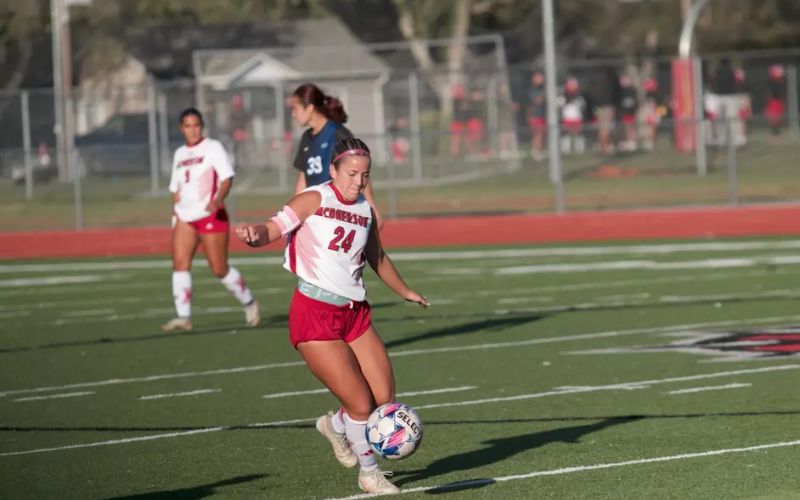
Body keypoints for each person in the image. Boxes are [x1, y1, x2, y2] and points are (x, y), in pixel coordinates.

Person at [236, 137, 428, 494]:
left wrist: (405, 291)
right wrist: (253, 235)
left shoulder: (365, 210)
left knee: (383, 399)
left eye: (365, 175)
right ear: (333, 169)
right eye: (352, 174)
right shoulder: (313, 199)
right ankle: (369, 474)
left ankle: (335, 426)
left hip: (355, 314)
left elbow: (377, 257)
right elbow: (272, 228)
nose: (358, 182)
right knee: (360, 404)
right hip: (314, 314)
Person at [161, 108, 260, 332]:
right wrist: (176, 210)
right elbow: (175, 187)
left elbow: (227, 178)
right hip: (185, 216)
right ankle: (184, 317)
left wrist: (217, 200)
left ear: (202, 126)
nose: (193, 130)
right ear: (181, 128)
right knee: (179, 264)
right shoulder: (179, 153)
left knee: (219, 268)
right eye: (188, 126)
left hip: (210, 215)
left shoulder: (212, 147)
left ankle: (249, 302)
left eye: (196, 125)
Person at [289, 83, 383, 228]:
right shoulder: (306, 138)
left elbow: (359, 169)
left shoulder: (338, 133)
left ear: (309, 108)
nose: (293, 114)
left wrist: (371, 206)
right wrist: (295, 210)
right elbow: (303, 177)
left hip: (339, 210)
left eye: (295, 109)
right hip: (315, 210)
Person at [528, 70, 547, 161]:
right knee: (537, 134)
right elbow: (536, 101)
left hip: (543, 115)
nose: (540, 79)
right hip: (536, 116)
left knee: (543, 134)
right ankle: (535, 151)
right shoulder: (532, 90)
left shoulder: (544, 89)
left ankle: (541, 150)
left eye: (541, 77)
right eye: (538, 77)